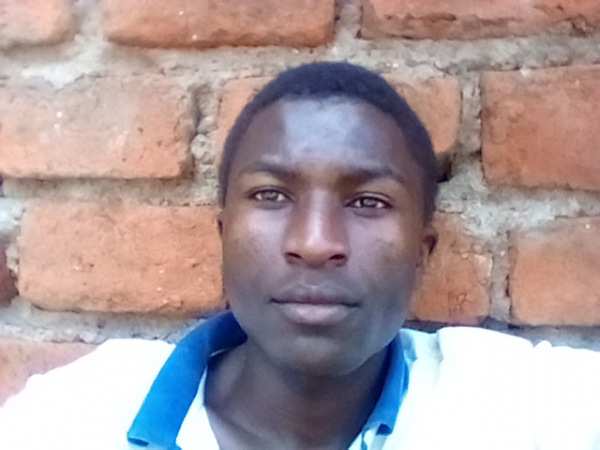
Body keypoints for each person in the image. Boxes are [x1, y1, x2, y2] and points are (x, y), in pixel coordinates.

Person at [1, 62, 599, 450]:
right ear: (223, 233)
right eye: (271, 195)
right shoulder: (71, 421)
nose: (315, 243)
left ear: (423, 251)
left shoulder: (524, 407)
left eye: (368, 202)